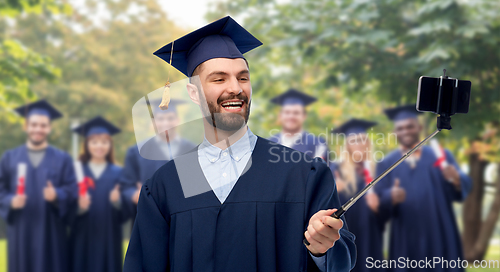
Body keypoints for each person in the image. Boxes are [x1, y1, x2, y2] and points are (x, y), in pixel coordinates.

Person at [123, 16, 355, 272]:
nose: (235, 88)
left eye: (243, 78)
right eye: (219, 79)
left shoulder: (302, 173)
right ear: (193, 93)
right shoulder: (167, 184)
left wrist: (322, 248)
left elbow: (340, 262)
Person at [375, 104, 472, 271]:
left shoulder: (440, 155)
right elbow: (379, 199)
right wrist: (390, 196)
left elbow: (462, 184)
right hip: (405, 234)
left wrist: (456, 179)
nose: (405, 131)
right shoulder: (387, 163)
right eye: (400, 128)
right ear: (395, 132)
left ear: (419, 127)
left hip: (438, 230)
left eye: (410, 126)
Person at [0, 100, 77, 272]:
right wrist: (10, 201)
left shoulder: (62, 159)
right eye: (34, 124)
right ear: (25, 126)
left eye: (43, 125)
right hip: (21, 232)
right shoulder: (9, 158)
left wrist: (57, 195)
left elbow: (73, 190)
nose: (38, 129)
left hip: (51, 234)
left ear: (49, 128)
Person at [119, 98, 195, 226]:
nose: (165, 123)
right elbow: (126, 186)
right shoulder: (137, 152)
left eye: (170, 118)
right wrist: (134, 195)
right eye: (160, 118)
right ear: (153, 122)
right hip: (148, 219)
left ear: (178, 120)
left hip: (183, 220)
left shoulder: (192, 150)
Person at [68, 116, 127, 272]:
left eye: (104, 142)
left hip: (109, 238)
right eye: (94, 142)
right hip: (82, 239)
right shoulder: (76, 173)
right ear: (86, 145)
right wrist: (79, 207)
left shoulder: (119, 173)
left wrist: (117, 202)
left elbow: (126, 213)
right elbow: (65, 210)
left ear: (110, 145)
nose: (99, 146)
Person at [330, 119, 386, 272]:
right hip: (344, 232)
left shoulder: (379, 168)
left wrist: (378, 206)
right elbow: (327, 206)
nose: (359, 144)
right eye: (354, 140)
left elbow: (389, 207)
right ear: (347, 145)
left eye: (362, 139)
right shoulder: (336, 169)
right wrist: (335, 190)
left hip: (371, 233)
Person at [268, 89, 329, 161]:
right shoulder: (268, 144)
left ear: (304, 116)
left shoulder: (317, 144)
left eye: (296, 113)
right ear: (280, 116)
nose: (291, 116)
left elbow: (321, 170)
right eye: (287, 112)